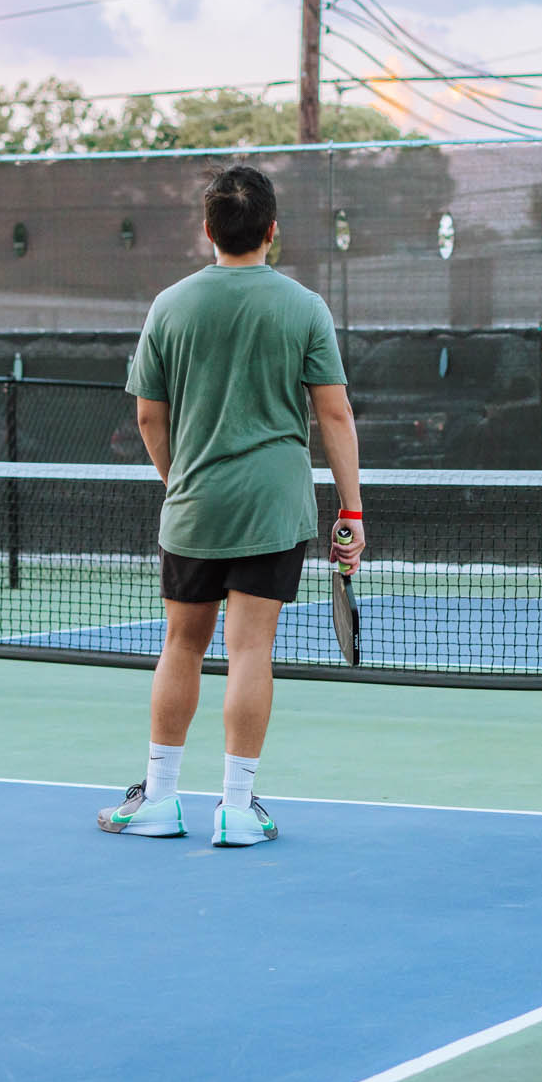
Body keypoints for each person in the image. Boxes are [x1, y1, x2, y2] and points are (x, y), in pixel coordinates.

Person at [98, 164, 364, 845]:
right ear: (272, 231)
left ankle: (159, 798)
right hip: (273, 506)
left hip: (195, 504)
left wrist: (180, 481)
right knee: (251, 649)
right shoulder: (305, 308)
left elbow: (149, 418)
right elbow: (335, 414)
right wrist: (352, 512)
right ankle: (238, 810)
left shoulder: (169, 306)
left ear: (207, 230)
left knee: (181, 645)